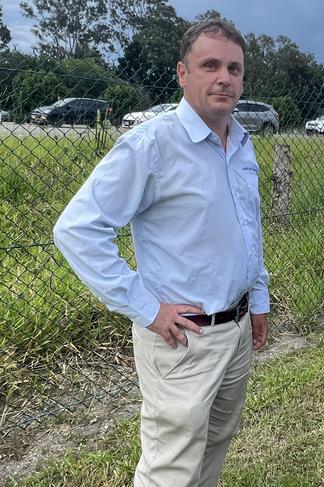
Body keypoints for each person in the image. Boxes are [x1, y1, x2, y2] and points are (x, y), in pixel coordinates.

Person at [53, 19, 269, 487]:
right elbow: (76, 229)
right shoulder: (153, 145)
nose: (224, 77)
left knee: (214, 446)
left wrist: (260, 299)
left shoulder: (242, 144)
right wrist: (147, 308)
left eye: (234, 68)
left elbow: (249, 229)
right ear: (181, 73)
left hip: (233, 330)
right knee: (170, 468)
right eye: (209, 65)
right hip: (182, 340)